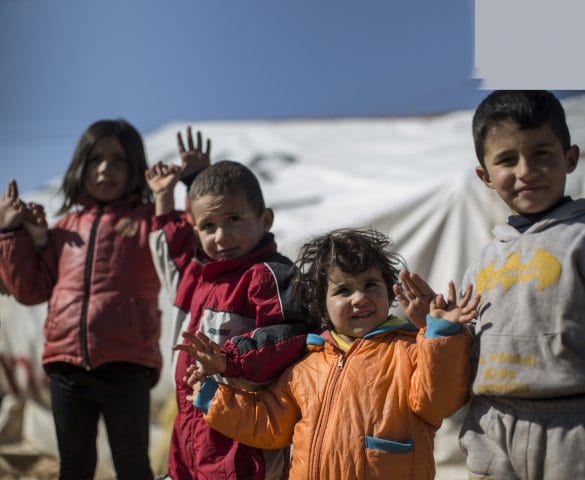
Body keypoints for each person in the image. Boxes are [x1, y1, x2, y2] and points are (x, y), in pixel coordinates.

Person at [182, 228, 478, 480]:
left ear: (389, 293)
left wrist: (439, 334)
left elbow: (438, 401)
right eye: (343, 290)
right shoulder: (306, 366)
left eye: (370, 285)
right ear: (321, 306)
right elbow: (270, 423)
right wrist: (213, 396)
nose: (360, 297)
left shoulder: (410, 350)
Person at [0, 119, 162, 479]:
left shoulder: (148, 222)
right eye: (95, 159)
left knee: (133, 466)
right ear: (80, 166)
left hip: (127, 364)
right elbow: (30, 290)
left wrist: (177, 187)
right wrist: (13, 232)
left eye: (118, 160)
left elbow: (180, 243)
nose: (105, 168)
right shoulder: (62, 230)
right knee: (74, 467)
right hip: (66, 367)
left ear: (135, 167)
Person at [145, 135, 311, 480]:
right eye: (208, 226)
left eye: (233, 219)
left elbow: (292, 334)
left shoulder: (270, 274)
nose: (221, 235)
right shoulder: (202, 276)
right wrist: (165, 195)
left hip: (244, 438)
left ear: (265, 219)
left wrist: (229, 359)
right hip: (191, 431)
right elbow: (173, 253)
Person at [458, 90, 585, 479]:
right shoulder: (483, 259)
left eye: (541, 153)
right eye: (507, 160)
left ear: (570, 158)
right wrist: (441, 326)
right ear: (485, 177)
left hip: (570, 423)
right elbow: (468, 343)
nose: (526, 170)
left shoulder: (579, 239)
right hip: (490, 424)